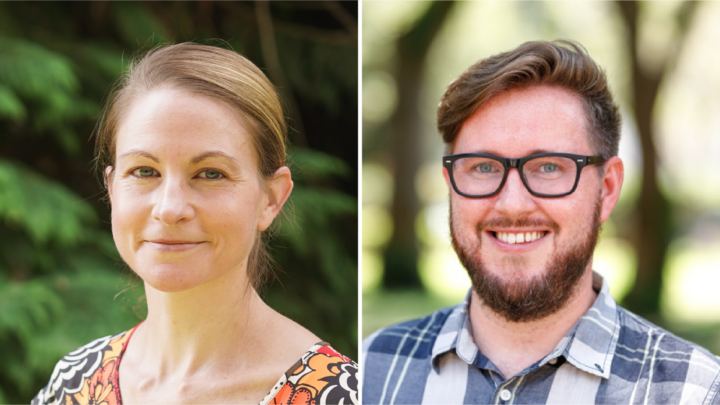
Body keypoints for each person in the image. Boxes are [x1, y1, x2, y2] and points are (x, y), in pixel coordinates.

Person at [362, 40, 720, 404]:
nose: (513, 204)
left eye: (549, 167)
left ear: (607, 189)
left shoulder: (695, 392)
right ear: (450, 184)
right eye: (483, 167)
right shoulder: (375, 369)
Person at [32, 44, 357, 405]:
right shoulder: (75, 382)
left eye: (210, 174)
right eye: (144, 171)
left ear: (271, 199)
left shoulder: (338, 396)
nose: (170, 209)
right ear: (112, 188)